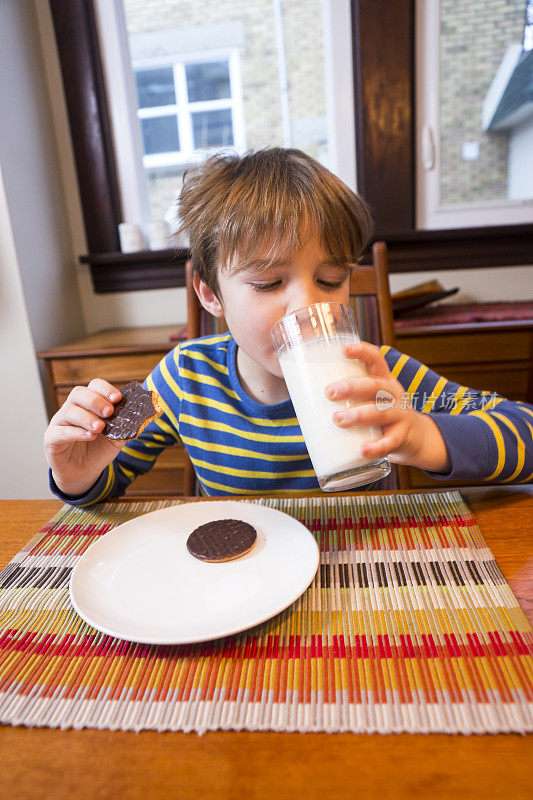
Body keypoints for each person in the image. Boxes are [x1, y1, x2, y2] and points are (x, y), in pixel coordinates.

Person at [44, 148, 533, 503]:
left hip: (361, 582)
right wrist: (77, 474)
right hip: (240, 578)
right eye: (268, 283)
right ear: (212, 294)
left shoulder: (377, 379)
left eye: (330, 278)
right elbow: (107, 476)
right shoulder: (184, 379)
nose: (307, 305)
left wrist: (423, 435)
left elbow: (525, 430)